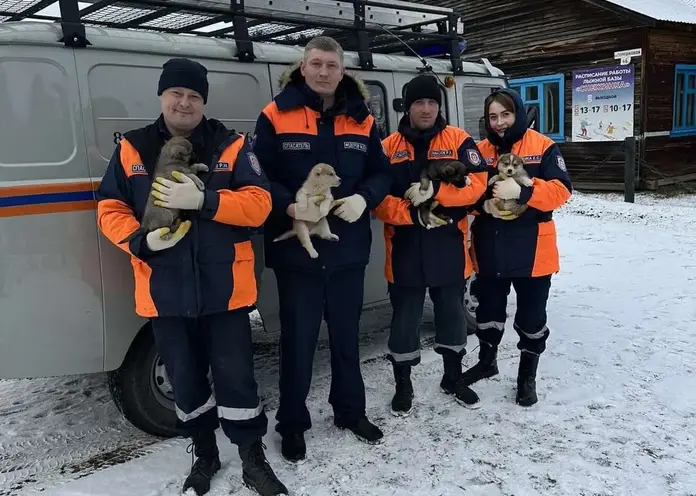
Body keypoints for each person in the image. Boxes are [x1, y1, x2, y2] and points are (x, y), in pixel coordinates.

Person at [96, 58, 288, 496]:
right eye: (176, 93)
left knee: (236, 375)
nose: (184, 102)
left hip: (226, 289)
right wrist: (140, 242)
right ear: (162, 97)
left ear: (204, 102)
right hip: (164, 287)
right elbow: (109, 208)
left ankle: (251, 457)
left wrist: (207, 200)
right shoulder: (133, 148)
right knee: (184, 378)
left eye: (194, 96)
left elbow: (259, 204)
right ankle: (205, 453)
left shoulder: (232, 145)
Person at [252, 36, 392, 463]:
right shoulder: (275, 114)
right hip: (298, 254)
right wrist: (288, 204)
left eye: (332, 65)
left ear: (343, 69)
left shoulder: (363, 118)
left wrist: (364, 198)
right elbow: (258, 177)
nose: (324, 72)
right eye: (317, 63)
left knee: (347, 337)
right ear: (303, 66)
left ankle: (350, 412)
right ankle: (293, 425)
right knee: (299, 341)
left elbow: (383, 172)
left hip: (347, 248)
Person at [373, 74, 488, 416]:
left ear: (439, 106)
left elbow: (478, 185)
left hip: (448, 247)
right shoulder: (387, 147)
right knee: (404, 322)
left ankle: (453, 378)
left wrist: (437, 192)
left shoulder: (459, 140)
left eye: (432, 102)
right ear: (407, 107)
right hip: (404, 249)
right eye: (419, 102)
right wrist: (412, 214)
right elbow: (377, 198)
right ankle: (403, 385)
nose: (426, 109)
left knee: (452, 319)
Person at [460, 88, 573, 407]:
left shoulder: (543, 146)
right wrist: (478, 205)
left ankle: (527, 376)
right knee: (488, 311)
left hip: (533, 250)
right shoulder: (478, 151)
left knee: (532, 316)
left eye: (505, 115)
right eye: (492, 116)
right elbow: (467, 195)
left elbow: (561, 191)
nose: (498, 122)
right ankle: (487, 361)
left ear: (518, 114)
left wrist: (523, 190)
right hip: (490, 246)